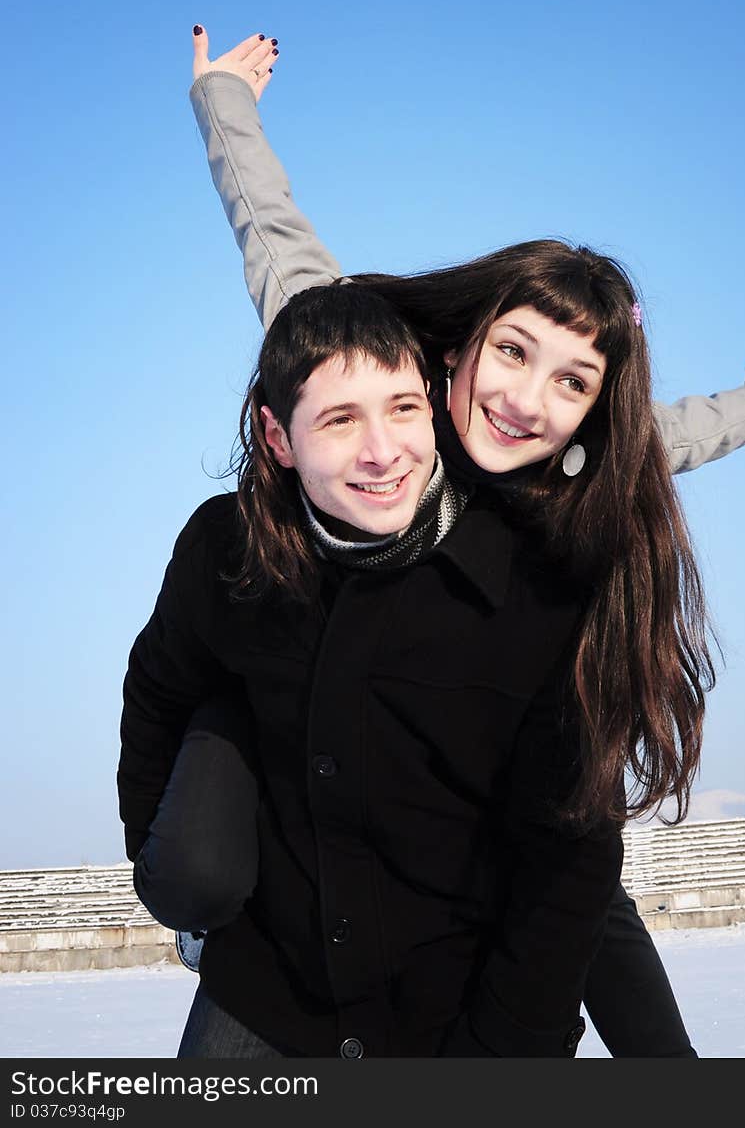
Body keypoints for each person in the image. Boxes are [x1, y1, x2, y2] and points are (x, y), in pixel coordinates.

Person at [169, 26, 745, 1056]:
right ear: (464, 341)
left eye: (570, 384)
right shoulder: (362, 372)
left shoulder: (573, 489)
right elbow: (274, 236)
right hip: (307, 743)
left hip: (473, 791)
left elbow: (666, 437)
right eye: (513, 354)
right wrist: (221, 102)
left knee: (569, 841)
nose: (524, 402)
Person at [119, 282, 630, 1057]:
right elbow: (156, 689)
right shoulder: (225, 553)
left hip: (449, 1013)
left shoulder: (537, 590)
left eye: (400, 407)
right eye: (338, 420)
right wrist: (170, 865)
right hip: (267, 994)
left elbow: (573, 858)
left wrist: (502, 1046)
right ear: (278, 437)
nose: (382, 451)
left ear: (431, 402)